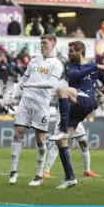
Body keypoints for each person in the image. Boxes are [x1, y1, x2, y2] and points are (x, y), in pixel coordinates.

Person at [49, 41, 104, 189]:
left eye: (71, 51)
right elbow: (75, 75)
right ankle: (70, 178)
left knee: (62, 91)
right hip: (76, 106)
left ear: (80, 51)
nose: (68, 54)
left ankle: (63, 129)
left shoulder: (93, 66)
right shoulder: (71, 66)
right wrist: (95, 66)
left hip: (87, 100)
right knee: (62, 142)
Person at [8, 34, 64, 186]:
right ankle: (13, 171)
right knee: (18, 132)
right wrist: (13, 95)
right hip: (26, 101)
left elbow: (52, 83)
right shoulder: (34, 60)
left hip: (41, 103)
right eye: (41, 43)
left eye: (45, 43)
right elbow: (23, 80)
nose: (42, 45)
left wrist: (31, 86)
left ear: (53, 44)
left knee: (40, 139)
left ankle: (39, 174)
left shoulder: (57, 64)